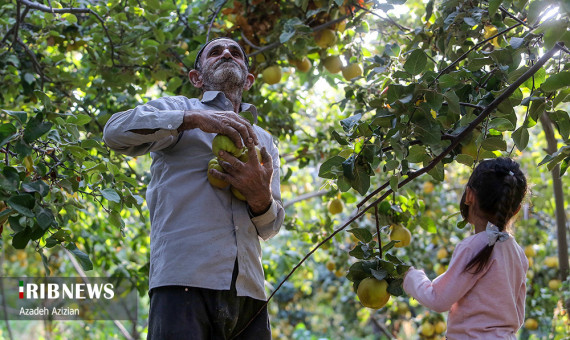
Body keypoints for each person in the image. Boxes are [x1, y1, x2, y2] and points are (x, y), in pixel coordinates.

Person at [103, 37, 284, 339]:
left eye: (235, 53)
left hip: (249, 290)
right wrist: (193, 119)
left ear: (249, 79)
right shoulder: (179, 110)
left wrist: (259, 196)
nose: (227, 53)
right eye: (215, 52)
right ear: (196, 78)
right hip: (183, 279)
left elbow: (271, 226)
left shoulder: (264, 141)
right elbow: (113, 132)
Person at [403, 157, 529, 339]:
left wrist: (410, 276)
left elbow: (438, 300)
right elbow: (518, 313)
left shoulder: (473, 247)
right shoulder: (518, 253)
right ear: (516, 209)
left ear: (469, 195)